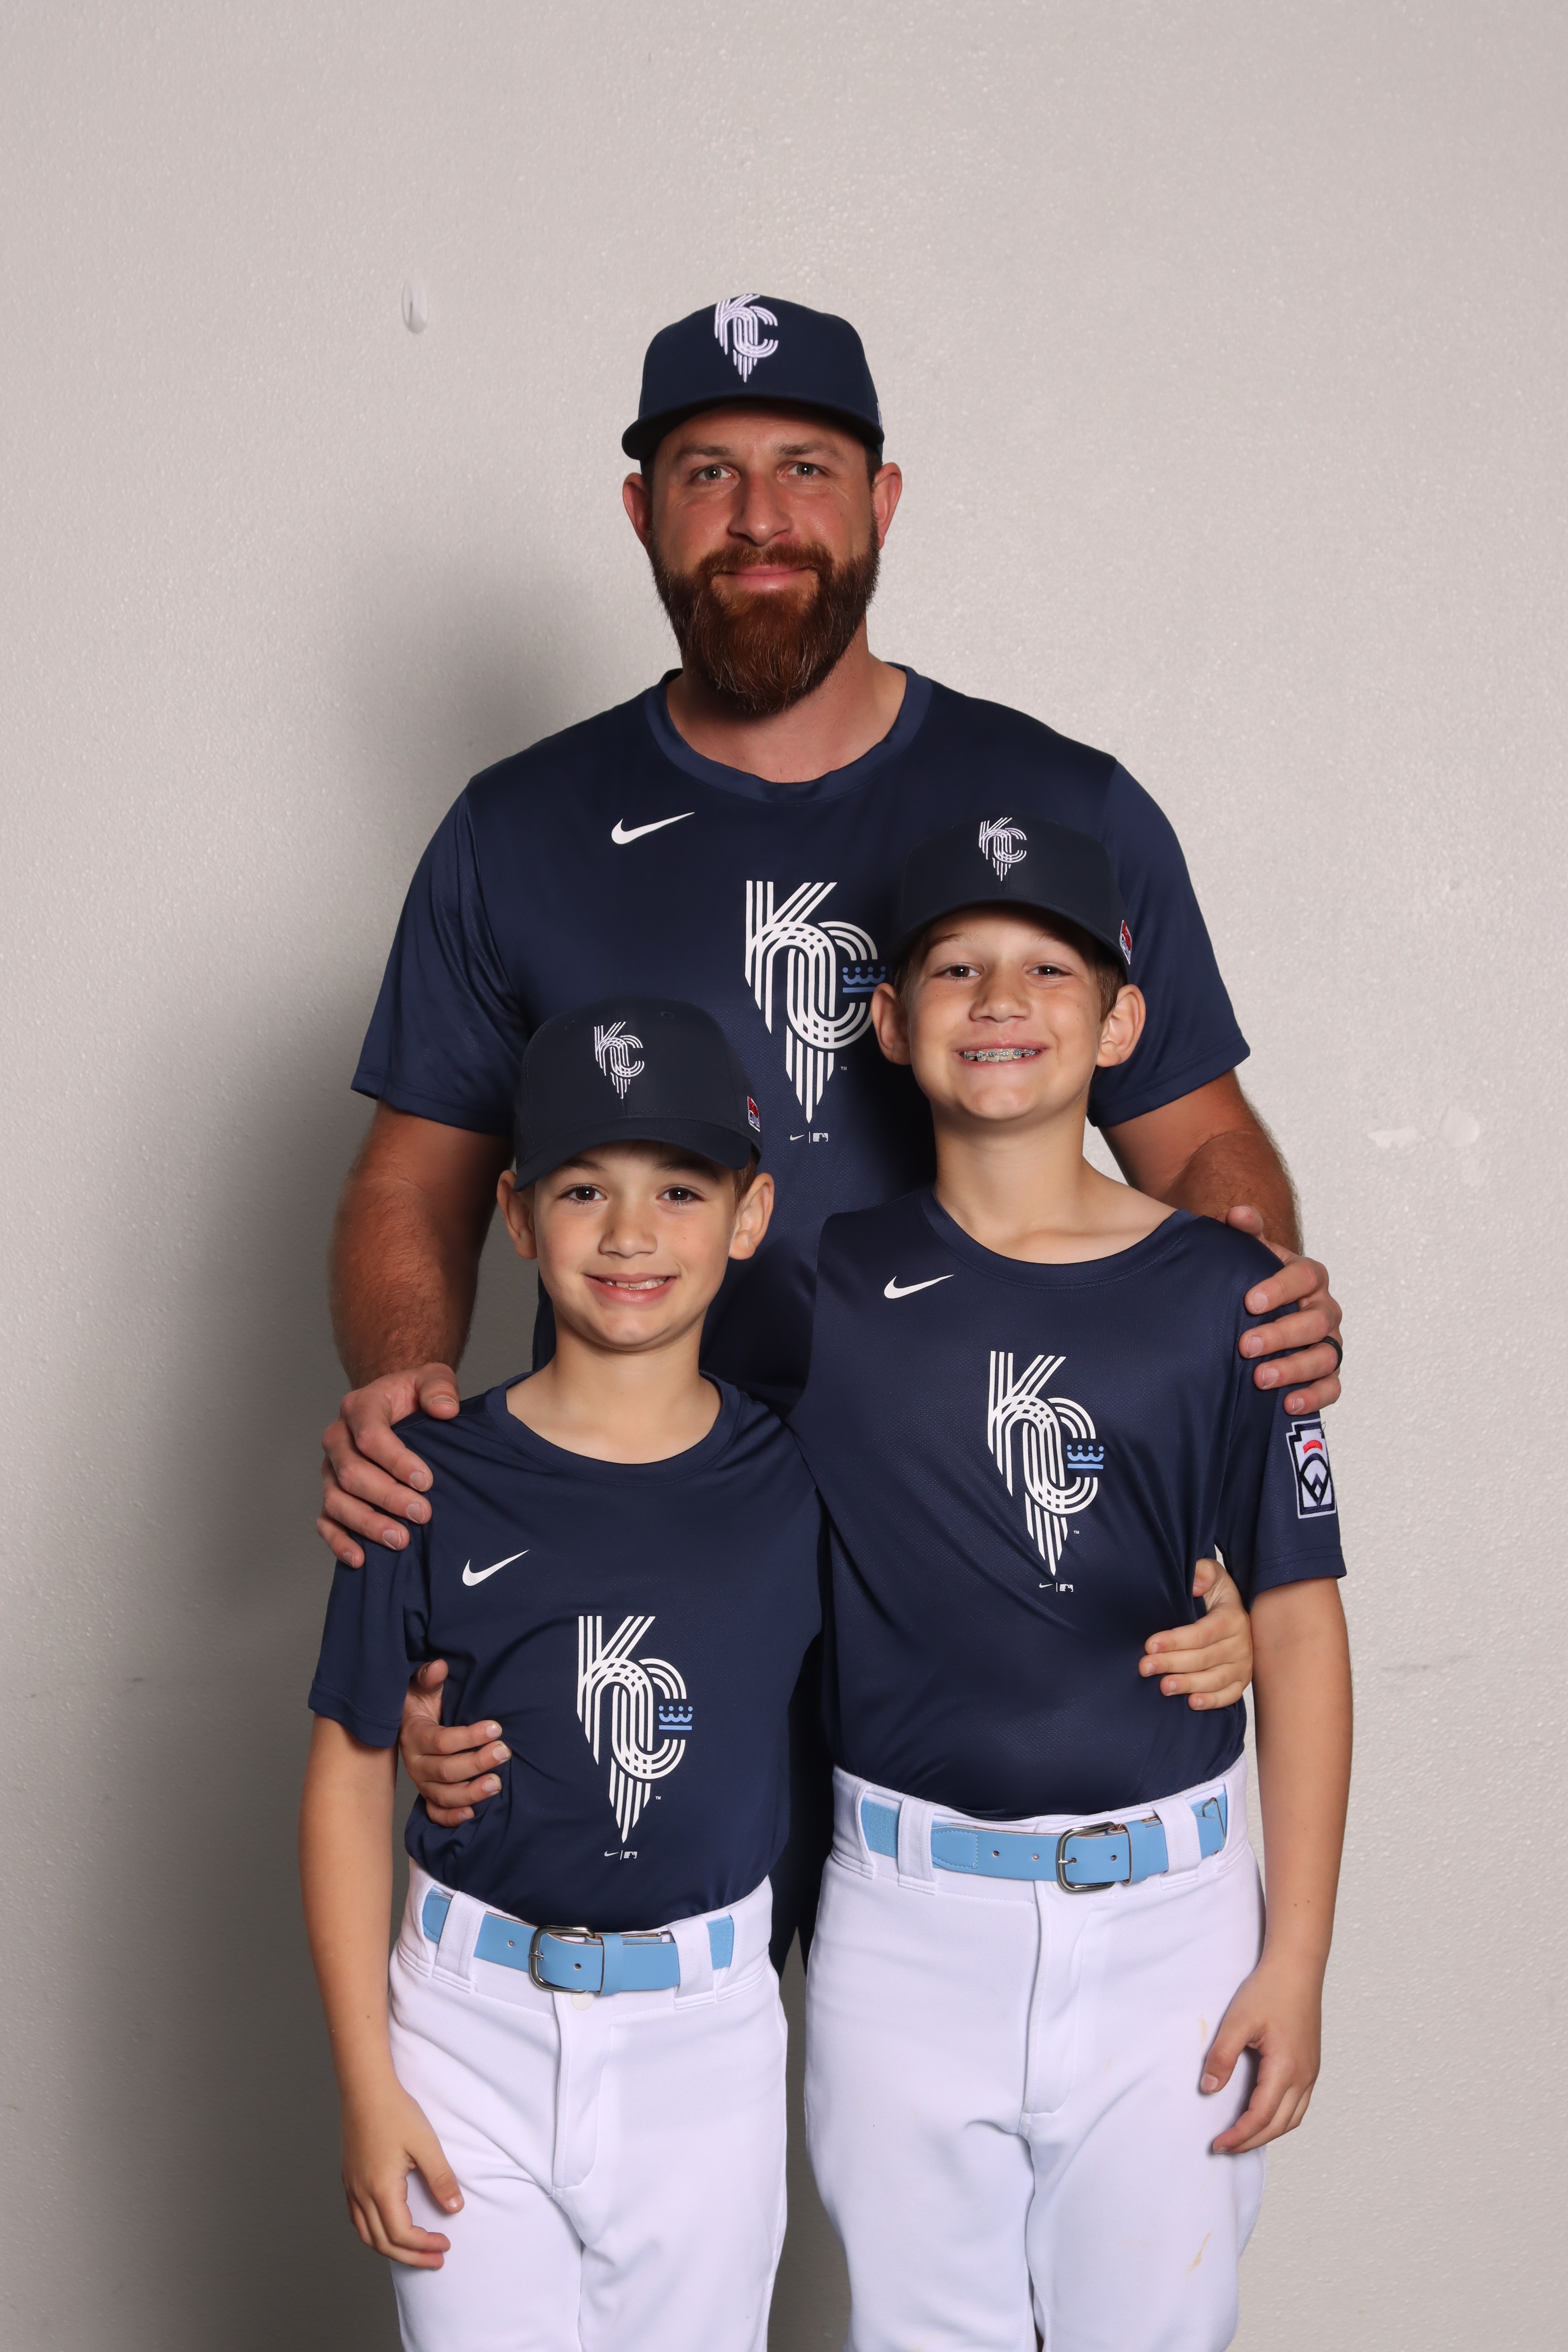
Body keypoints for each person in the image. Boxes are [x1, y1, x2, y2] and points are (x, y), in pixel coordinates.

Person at [317, 294, 1342, 1894]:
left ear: (884, 499)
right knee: (645, 1996)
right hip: (647, 1531)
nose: (759, 516)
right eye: (708, 473)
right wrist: (413, 1419)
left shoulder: (1059, 805)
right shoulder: (515, 832)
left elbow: (1206, 1148)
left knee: (957, 1990)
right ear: (642, 511)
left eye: (805, 467)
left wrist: (1233, 1432)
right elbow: (413, 1184)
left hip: (979, 1547)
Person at [787, 814, 1352, 2352]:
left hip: (1171, 1921)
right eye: (955, 968)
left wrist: (1296, 1957)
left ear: (1121, 1020)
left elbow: (1301, 1623)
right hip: (903, 1916)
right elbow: (672, 1510)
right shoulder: (823, 1286)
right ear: (888, 1021)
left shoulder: (1230, 1293)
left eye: (1049, 968)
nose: (1000, 1000)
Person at [299, 998, 823, 2352]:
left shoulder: (800, 1474)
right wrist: (367, 2081)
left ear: (750, 1215)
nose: (631, 1233)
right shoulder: (421, 1477)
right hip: (464, 2026)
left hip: (706, 2036)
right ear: (519, 1219)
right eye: (585, 1189)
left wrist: (1214, 1615)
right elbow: (350, 1774)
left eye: (680, 1190)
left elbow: (963, 1624)